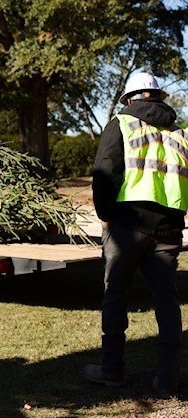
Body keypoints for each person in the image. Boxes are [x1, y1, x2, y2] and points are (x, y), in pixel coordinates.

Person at [84, 72, 185, 397]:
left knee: (115, 296)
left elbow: (104, 172)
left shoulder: (122, 123)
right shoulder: (180, 133)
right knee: (167, 302)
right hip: (168, 230)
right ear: (158, 97)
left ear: (130, 98)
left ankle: (112, 371)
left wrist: (105, 216)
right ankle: (168, 378)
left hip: (126, 227)